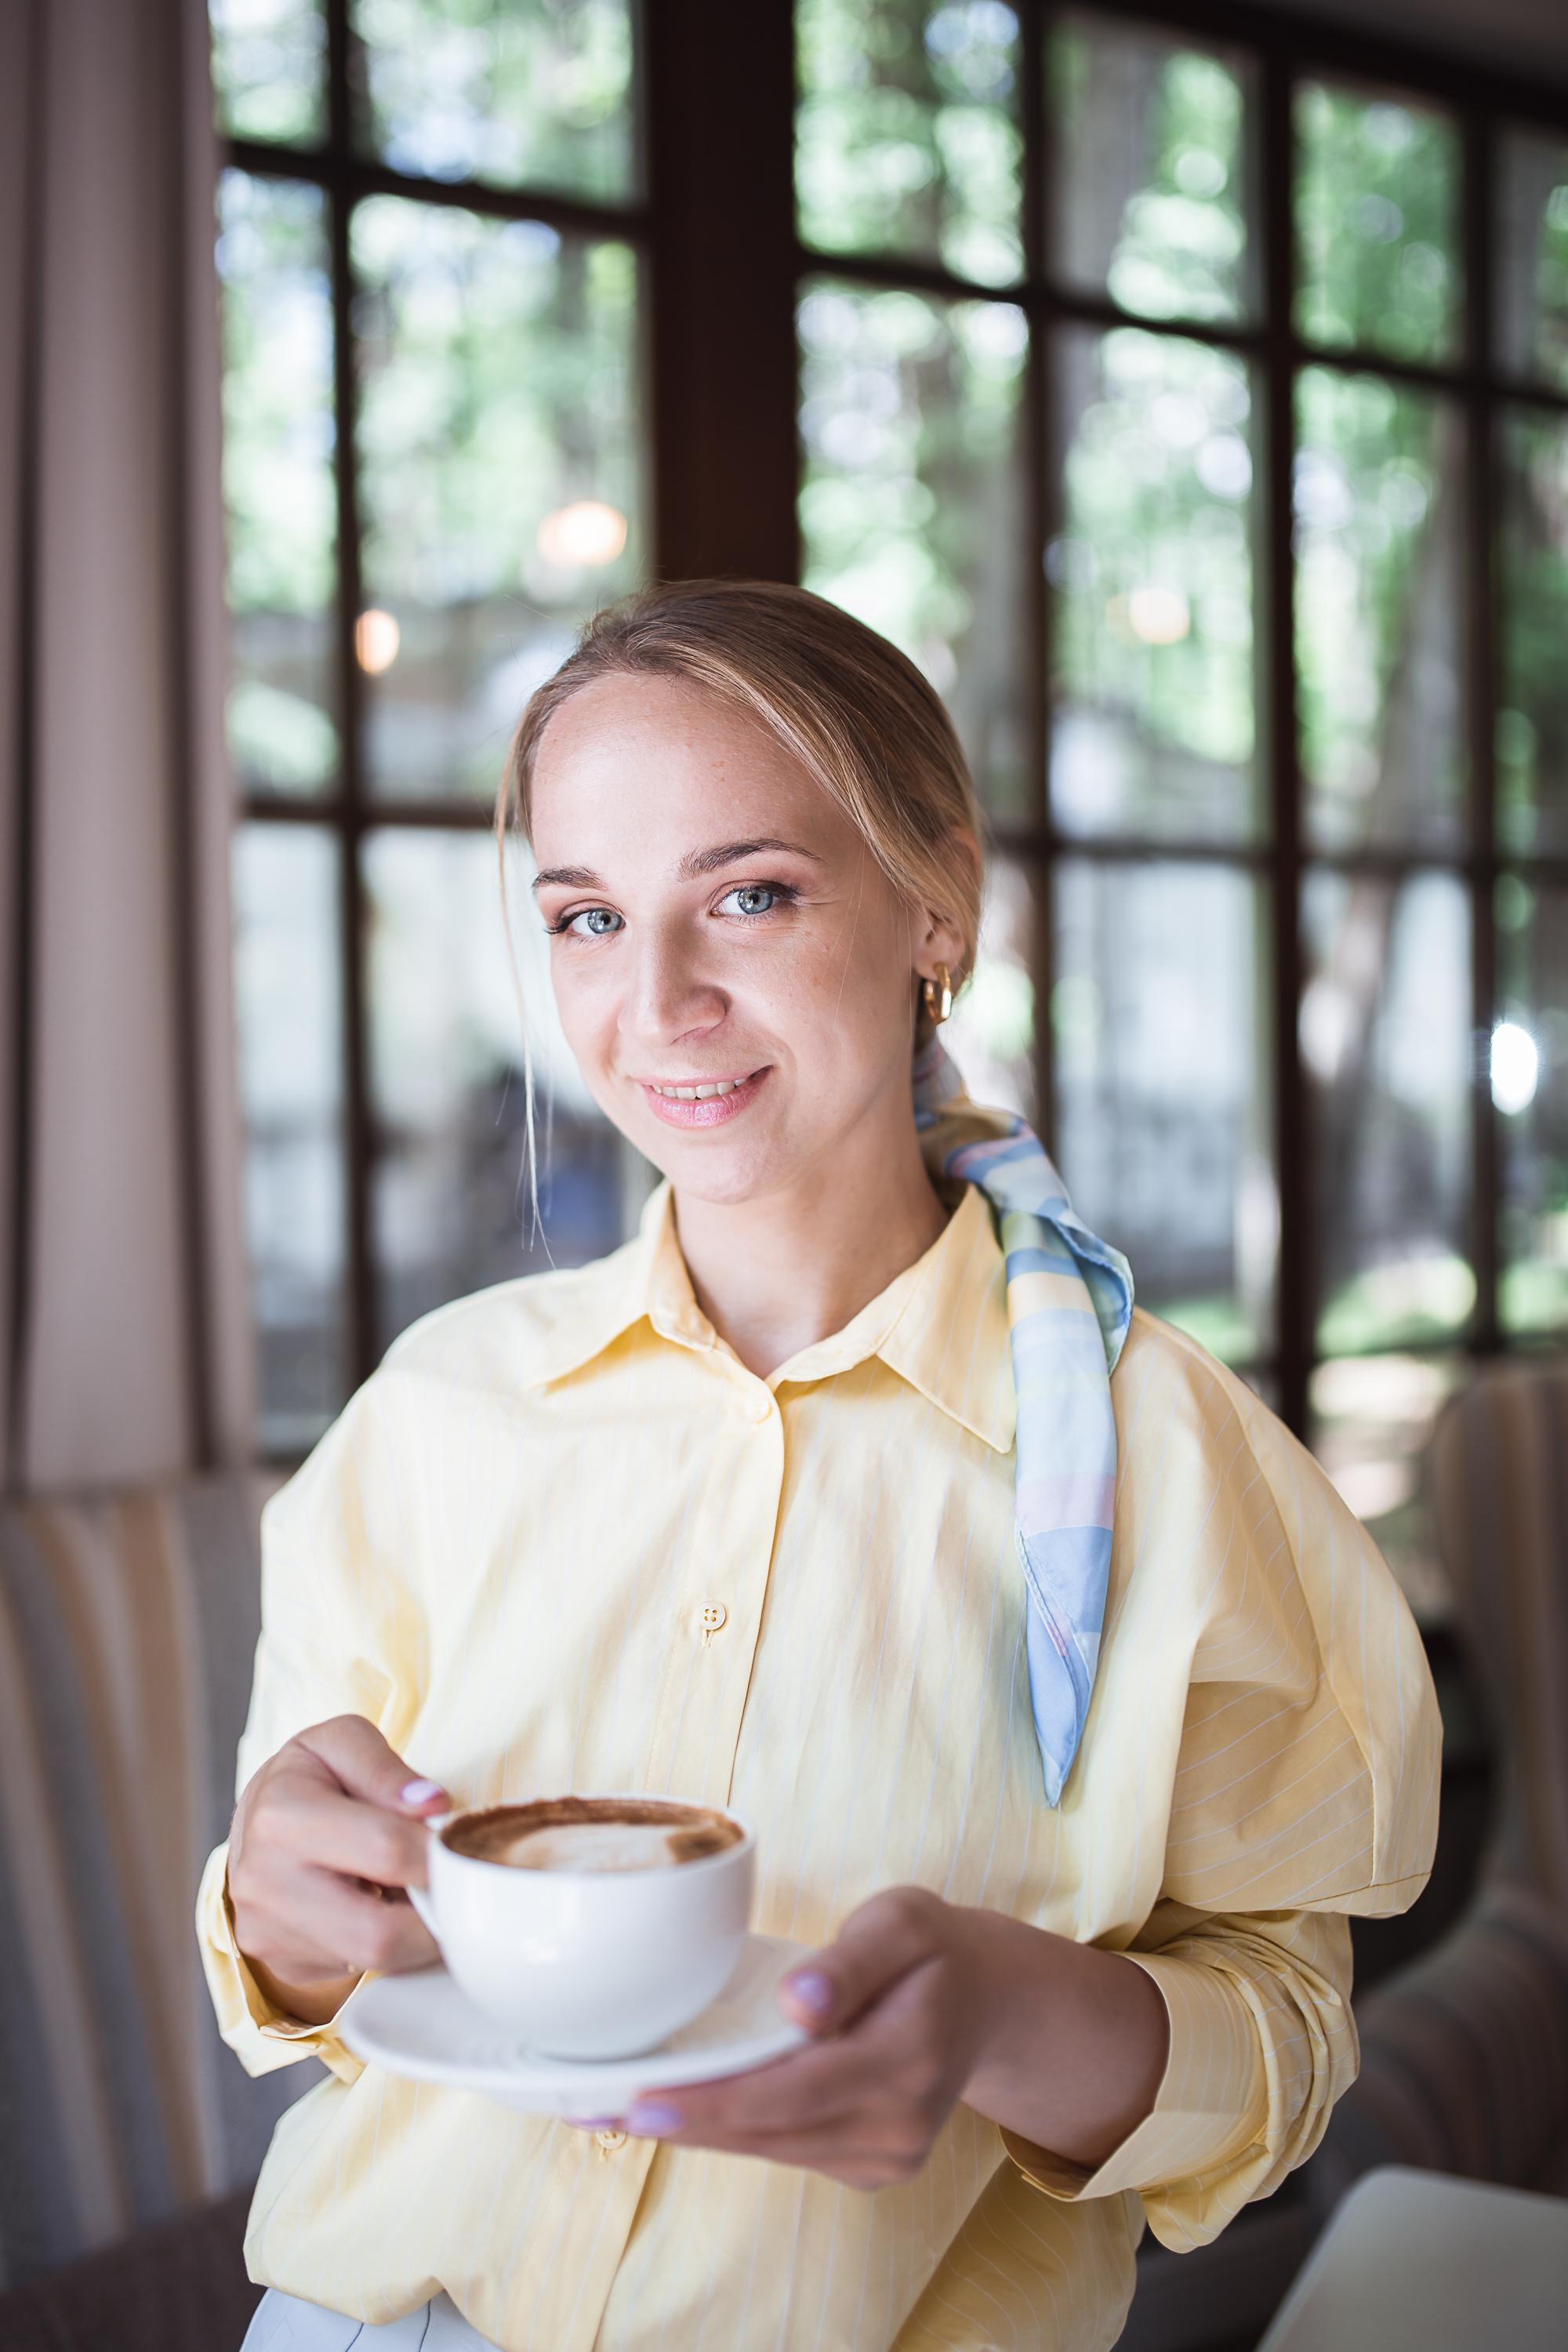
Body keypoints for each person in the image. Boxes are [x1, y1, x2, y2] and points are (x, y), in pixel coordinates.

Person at [201, 581, 1440, 2352]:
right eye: (585, 916)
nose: (657, 1003)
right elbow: (305, 1950)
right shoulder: (434, 1415)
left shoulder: (1169, 1459)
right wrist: (281, 1913)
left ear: (936, 905)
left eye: (751, 895)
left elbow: (1285, 2049)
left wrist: (1009, 2014)